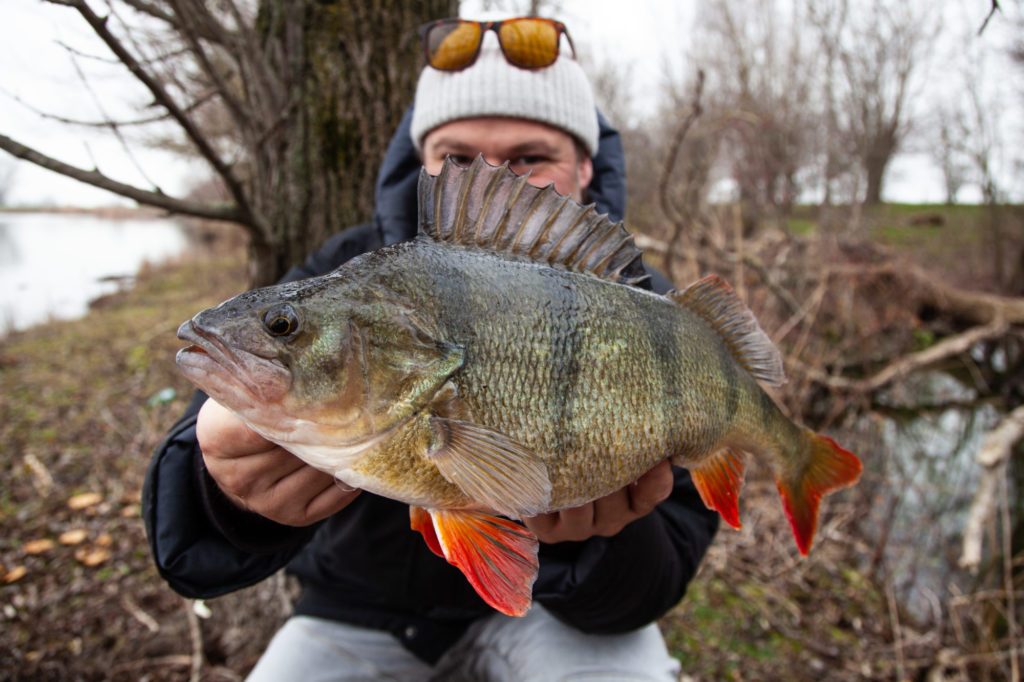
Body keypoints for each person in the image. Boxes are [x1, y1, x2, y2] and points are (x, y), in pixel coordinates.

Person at [144, 15, 719, 681]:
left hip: (558, 619)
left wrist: (599, 544)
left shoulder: (658, 318)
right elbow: (186, 540)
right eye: (458, 158)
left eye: (532, 157)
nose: (494, 178)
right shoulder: (338, 278)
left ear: (586, 166)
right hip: (360, 612)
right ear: (421, 162)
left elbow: (658, 579)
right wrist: (220, 496)